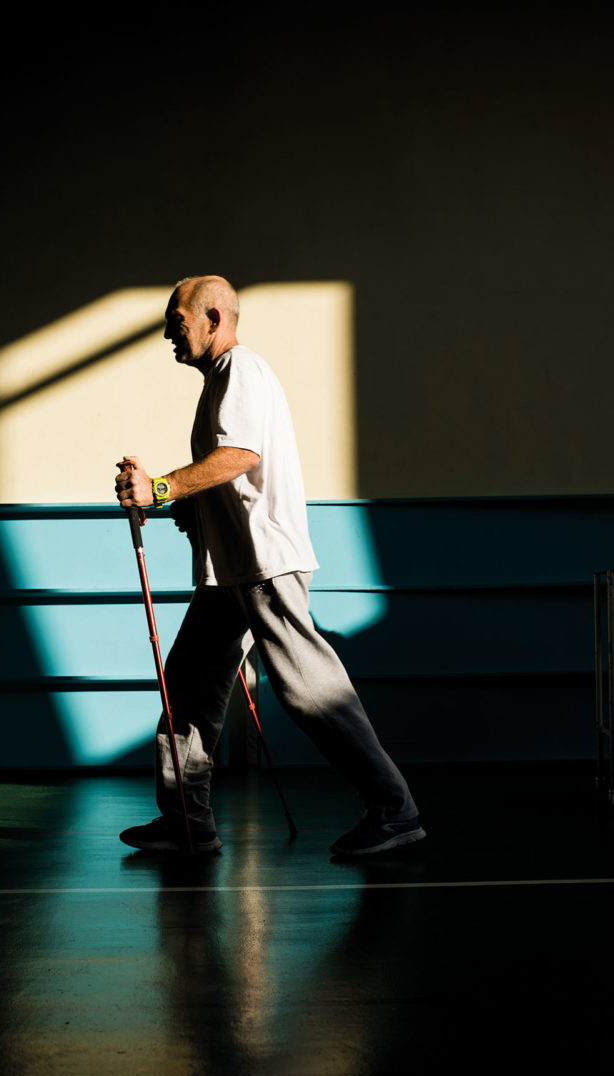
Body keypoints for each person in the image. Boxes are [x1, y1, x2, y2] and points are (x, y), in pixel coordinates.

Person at [115, 275, 425, 856]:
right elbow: (230, 479)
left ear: (213, 318)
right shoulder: (216, 384)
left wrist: (159, 487)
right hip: (227, 572)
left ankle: (394, 809)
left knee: (312, 691)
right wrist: (179, 505)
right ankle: (187, 818)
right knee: (188, 688)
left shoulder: (241, 369)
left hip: (264, 565)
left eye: (176, 322)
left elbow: (240, 456)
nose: (167, 334)